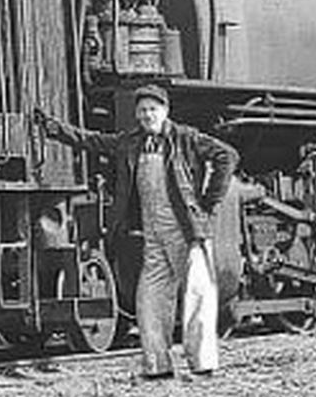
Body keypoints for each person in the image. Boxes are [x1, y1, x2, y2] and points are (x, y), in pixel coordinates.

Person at [32, 86, 238, 379]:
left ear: (165, 111)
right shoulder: (130, 142)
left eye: (152, 109)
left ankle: (203, 363)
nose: (147, 115)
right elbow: (92, 141)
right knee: (149, 298)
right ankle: (157, 364)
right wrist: (55, 129)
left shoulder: (185, 137)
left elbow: (227, 155)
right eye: (142, 110)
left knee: (197, 295)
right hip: (152, 233)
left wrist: (209, 202)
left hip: (186, 230)